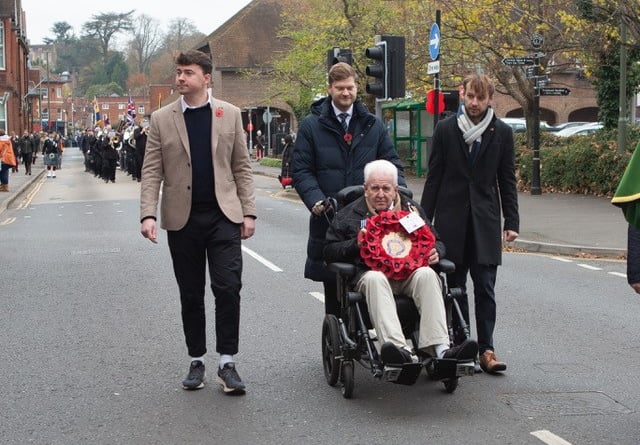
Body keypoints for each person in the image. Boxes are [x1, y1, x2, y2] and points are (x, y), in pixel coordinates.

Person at [140, 49, 256, 395]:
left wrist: (248, 211)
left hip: (223, 216)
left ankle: (227, 362)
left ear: (206, 78)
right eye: (178, 72)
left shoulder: (230, 115)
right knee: (191, 293)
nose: (180, 78)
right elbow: (151, 171)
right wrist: (148, 213)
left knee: (227, 287)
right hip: (182, 218)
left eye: (187, 73)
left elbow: (242, 167)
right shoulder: (162, 119)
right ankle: (197, 359)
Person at [323, 160, 478, 363]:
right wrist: (355, 244)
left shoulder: (411, 210)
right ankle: (400, 351)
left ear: (395, 189)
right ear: (365, 189)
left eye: (386, 188)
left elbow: (436, 240)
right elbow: (328, 251)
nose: (380, 194)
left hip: (409, 274)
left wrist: (436, 251)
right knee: (375, 279)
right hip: (370, 275)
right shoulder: (348, 215)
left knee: (428, 275)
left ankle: (441, 349)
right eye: (375, 188)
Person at [420, 73, 519, 374]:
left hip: (485, 223)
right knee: (455, 287)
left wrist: (511, 220)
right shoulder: (446, 130)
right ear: (462, 96)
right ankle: (464, 345)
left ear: (490, 99)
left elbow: (507, 180)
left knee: (486, 288)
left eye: (481, 98)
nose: (474, 103)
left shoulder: (501, 132)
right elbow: (434, 178)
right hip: (451, 222)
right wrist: (423, 223)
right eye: (470, 97)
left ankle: (487, 349)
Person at [293, 61, 406, 317]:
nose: (346, 93)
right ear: (330, 88)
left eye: (350, 88)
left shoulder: (372, 125)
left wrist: (401, 193)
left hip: (370, 218)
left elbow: (392, 163)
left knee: (375, 275)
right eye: (340, 88)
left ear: (356, 88)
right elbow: (301, 171)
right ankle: (338, 345)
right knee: (334, 285)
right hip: (330, 219)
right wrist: (317, 201)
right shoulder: (312, 126)